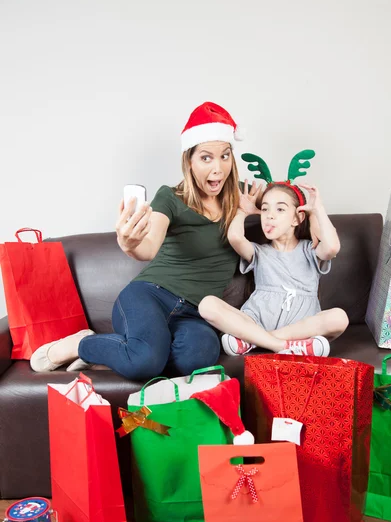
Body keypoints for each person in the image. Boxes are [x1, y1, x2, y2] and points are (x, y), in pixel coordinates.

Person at [30, 102, 247, 379]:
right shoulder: (170, 197)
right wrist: (129, 243)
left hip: (197, 315)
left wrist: (306, 210)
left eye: (225, 156)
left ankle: (124, 352)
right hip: (150, 296)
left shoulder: (241, 197)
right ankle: (79, 344)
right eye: (206, 158)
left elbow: (284, 206)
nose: (218, 168)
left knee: (197, 361)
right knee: (145, 361)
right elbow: (149, 246)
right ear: (189, 161)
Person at [198, 177, 349, 357]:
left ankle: (254, 342)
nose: (269, 215)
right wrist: (242, 211)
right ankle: (286, 347)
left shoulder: (310, 250)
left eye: (280, 209)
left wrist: (317, 210)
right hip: (256, 321)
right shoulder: (259, 252)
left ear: (297, 218)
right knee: (207, 304)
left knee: (339, 317)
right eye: (264, 209)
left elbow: (332, 247)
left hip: (298, 327)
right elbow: (235, 238)